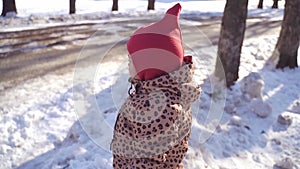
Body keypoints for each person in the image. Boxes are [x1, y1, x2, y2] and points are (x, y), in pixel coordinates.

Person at [110, 3, 201, 169]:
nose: (128, 65)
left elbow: (148, 162)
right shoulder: (156, 95)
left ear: (149, 66)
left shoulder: (159, 108)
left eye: (131, 61)